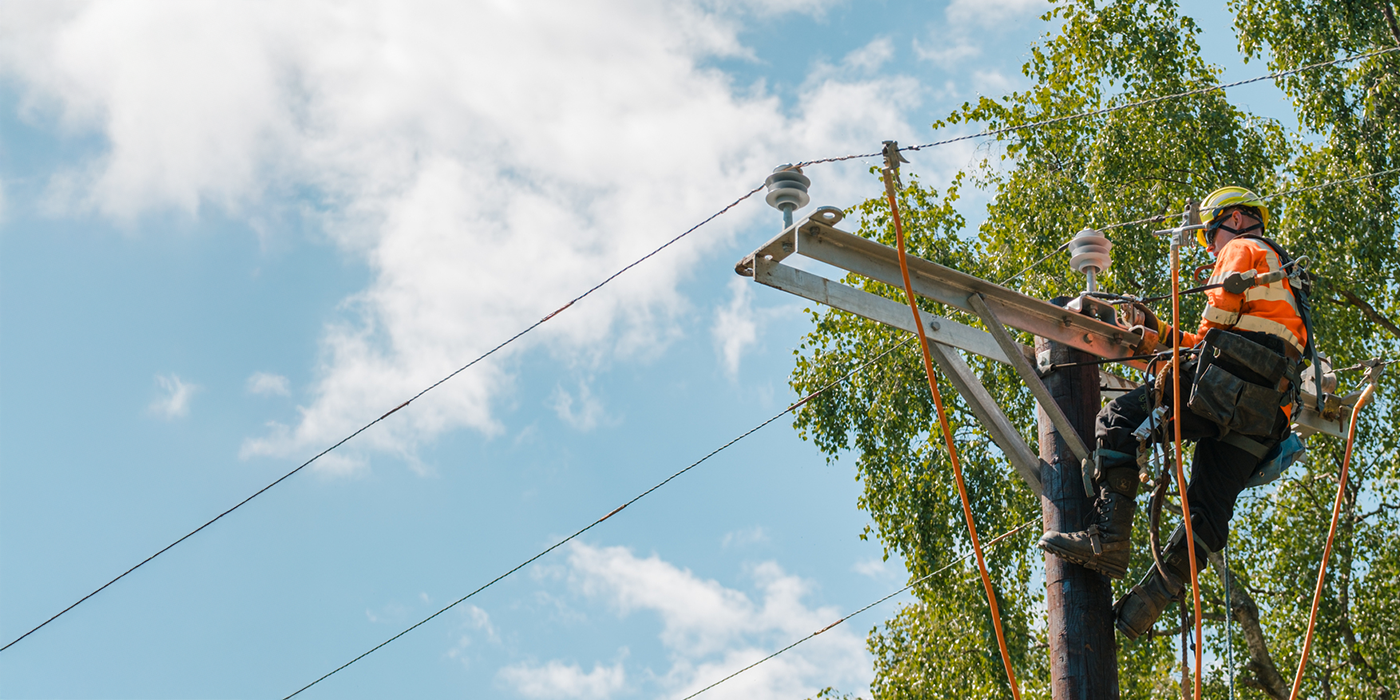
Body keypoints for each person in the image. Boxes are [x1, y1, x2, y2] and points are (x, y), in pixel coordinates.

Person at [1038, 186, 1309, 640]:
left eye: (1210, 234)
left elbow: (1215, 327)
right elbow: (1216, 344)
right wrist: (1156, 334)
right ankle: (1143, 608)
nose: (1210, 246)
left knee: (1119, 420)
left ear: (1236, 220)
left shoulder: (1243, 248)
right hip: (1265, 413)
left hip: (1225, 384)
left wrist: (1161, 345)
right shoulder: (1285, 281)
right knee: (1206, 513)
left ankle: (1107, 542)